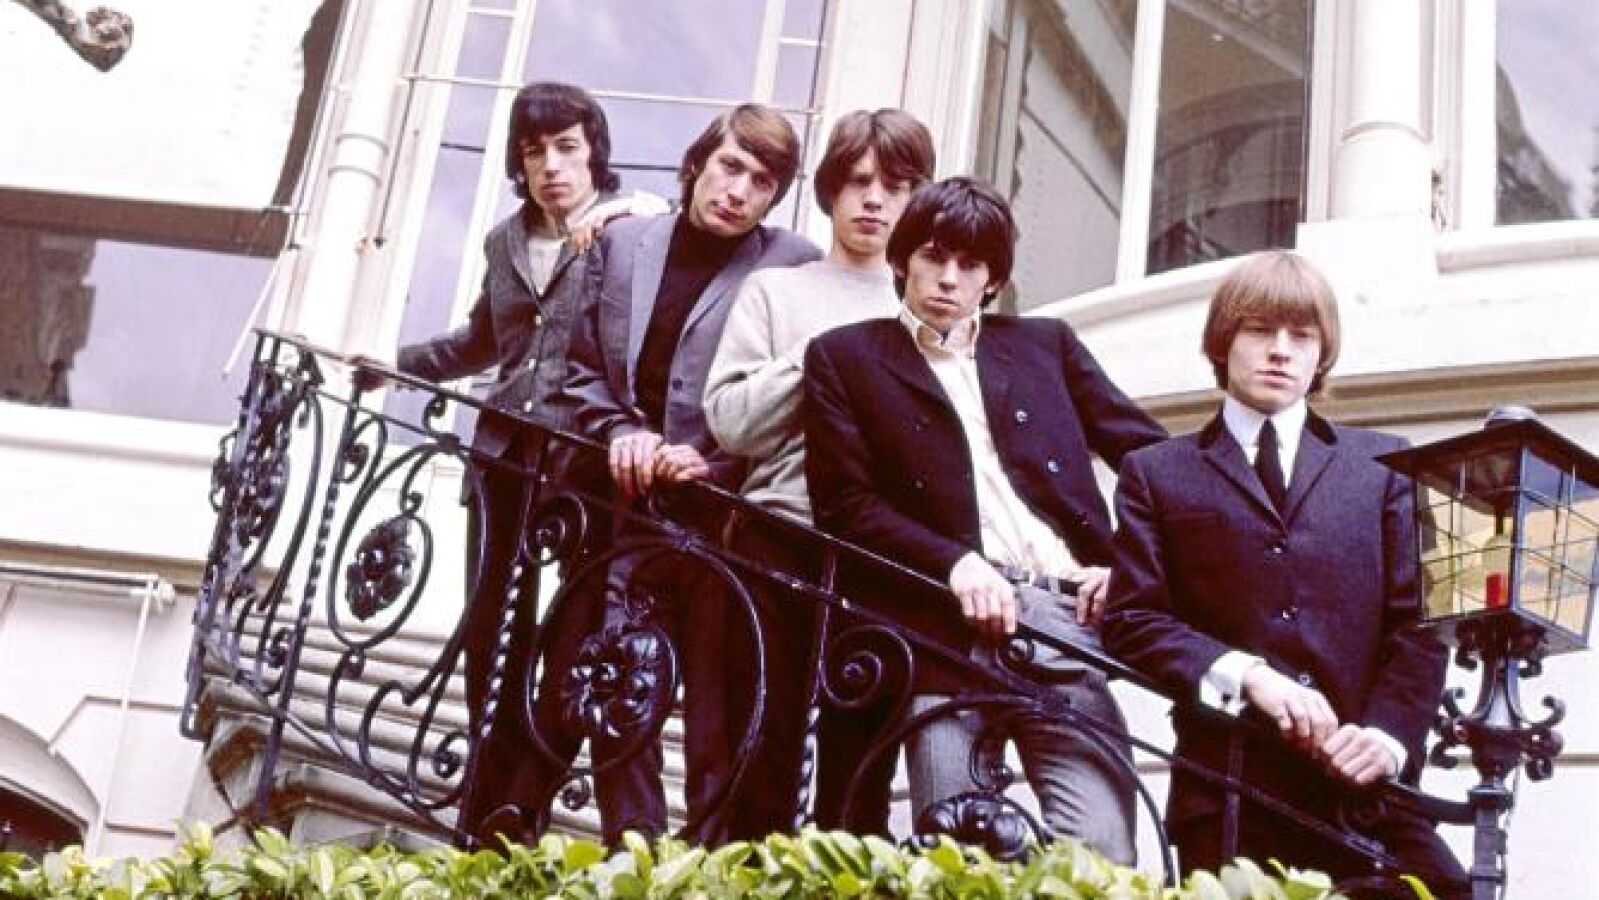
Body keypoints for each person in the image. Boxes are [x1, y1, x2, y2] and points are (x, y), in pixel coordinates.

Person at [801, 177, 1164, 863]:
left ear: (992, 279)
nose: (948, 278)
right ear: (903, 258)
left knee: (1102, 854)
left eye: (969, 264)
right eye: (933, 256)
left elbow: (1152, 461)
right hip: (938, 630)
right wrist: (954, 563)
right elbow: (846, 508)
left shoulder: (1046, 345)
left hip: (1061, 621)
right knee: (958, 858)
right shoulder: (843, 358)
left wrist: (1128, 568)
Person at [1100, 250, 1468, 896]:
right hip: (1228, 790)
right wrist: (1249, 677)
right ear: (1223, 342)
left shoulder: (1383, 466)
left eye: (1301, 336)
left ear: (1321, 354)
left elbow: (1421, 622)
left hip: (1360, 790)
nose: (1280, 351)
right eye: (1259, 330)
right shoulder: (1154, 473)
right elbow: (1133, 620)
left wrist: (1387, 739)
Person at [356, 81, 659, 847]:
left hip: (582, 466)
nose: (550, 166)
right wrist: (394, 364)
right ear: (518, 164)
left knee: (574, 631)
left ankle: (527, 796)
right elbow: (480, 342)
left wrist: (633, 207)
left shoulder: (631, 229)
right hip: (501, 456)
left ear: (593, 152)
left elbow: (675, 238)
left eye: (566, 148)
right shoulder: (502, 242)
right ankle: (483, 794)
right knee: (491, 627)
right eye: (533, 152)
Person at [562, 102, 820, 843]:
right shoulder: (623, 241)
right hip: (627, 506)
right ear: (697, 163)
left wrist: (716, 459)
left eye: (762, 182)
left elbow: (793, 403)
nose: (738, 191)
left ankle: (705, 865)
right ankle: (631, 850)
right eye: (730, 167)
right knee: (619, 682)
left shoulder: (794, 264)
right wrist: (619, 431)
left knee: (716, 708)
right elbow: (579, 369)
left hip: (726, 518)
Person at [703, 108, 936, 839]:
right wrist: (822, 356)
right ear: (831, 189)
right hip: (777, 540)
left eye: (896, 187)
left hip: (884, 558)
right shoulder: (777, 292)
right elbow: (731, 423)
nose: (874, 200)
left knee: (860, 773)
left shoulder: (929, 300)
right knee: (758, 756)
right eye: (859, 181)